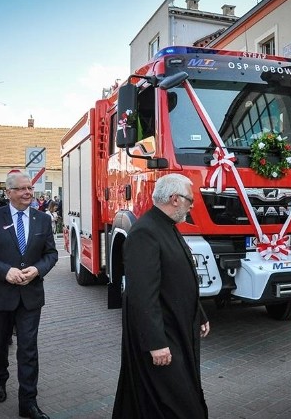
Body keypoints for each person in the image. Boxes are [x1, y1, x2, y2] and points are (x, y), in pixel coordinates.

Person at [112, 173, 210, 419]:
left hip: (175, 326)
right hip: (162, 334)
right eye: (190, 200)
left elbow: (180, 278)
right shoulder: (145, 232)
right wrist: (156, 343)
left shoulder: (167, 226)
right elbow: (142, 294)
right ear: (175, 199)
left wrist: (199, 314)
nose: (192, 205)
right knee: (179, 404)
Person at [0, 171, 58, 419]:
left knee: (28, 348)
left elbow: (51, 254)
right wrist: (5, 271)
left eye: (30, 188)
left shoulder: (42, 219)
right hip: (0, 295)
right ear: (9, 192)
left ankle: (28, 402)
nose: (28, 193)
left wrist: (38, 269)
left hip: (30, 296)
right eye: (21, 189)